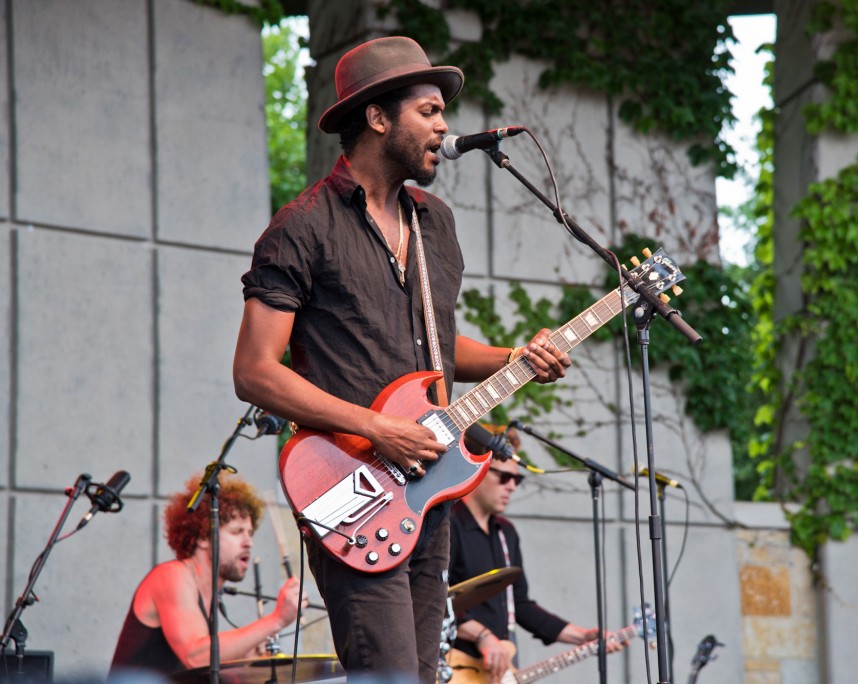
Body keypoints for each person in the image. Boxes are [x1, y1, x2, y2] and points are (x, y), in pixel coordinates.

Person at [231, 36, 571, 682]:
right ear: (378, 118)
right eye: (429, 110)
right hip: (352, 486)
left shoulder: (434, 223)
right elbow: (254, 371)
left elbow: (440, 343)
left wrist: (516, 356)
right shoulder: (302, 227)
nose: (445, 126)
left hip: (428, 489)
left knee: (418, 672)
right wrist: (376, 426)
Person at [447, 427, 624, 683]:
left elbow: (519, 604)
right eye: (504, 478)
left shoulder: (505, 533)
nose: (511, 487)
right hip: (451, 664)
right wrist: (482, 636)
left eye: (516, 480)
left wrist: (582, 635)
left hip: (492, 672)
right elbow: (436, 600)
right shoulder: (448, 524)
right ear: (478, 471)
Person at [109, 474, 305, 675]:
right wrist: (276, 620)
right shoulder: (171, 576)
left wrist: (249, 654)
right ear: (204, 536)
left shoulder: (209, 595)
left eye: (250, 533)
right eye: (237, 532)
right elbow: (197, 656)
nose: (249, 542)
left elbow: (205, 667)